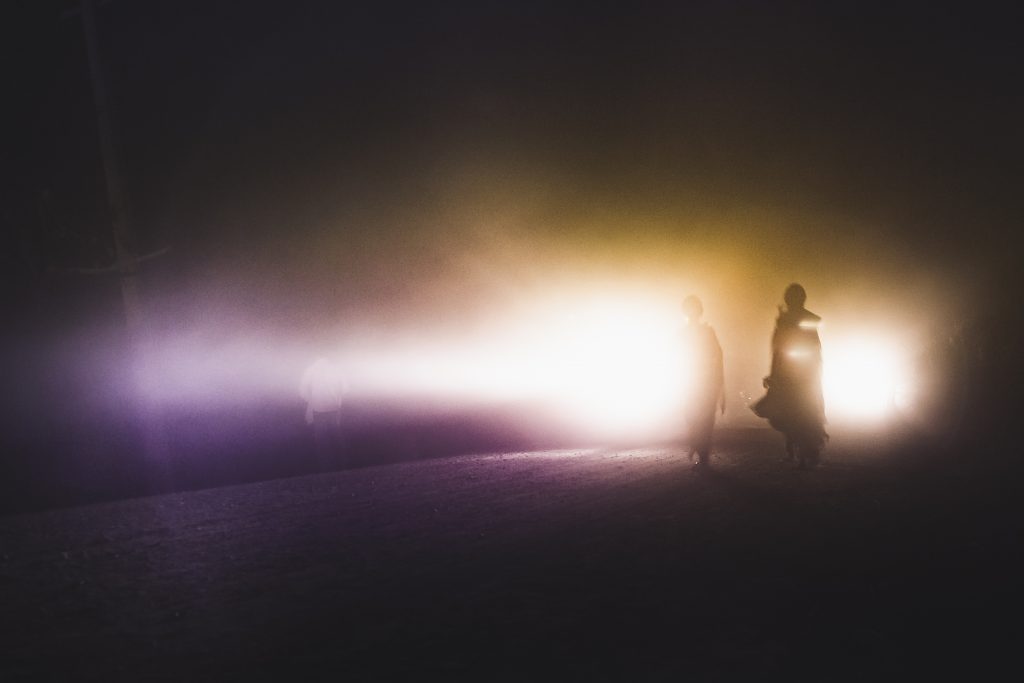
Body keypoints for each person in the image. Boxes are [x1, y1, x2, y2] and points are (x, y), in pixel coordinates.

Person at [752, 283, 828, 468]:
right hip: (790, 375)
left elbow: (813, 347)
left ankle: (805, 453)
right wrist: (773, 374)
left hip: (802, 375)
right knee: (788, 412)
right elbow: (778, 350)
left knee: (801, 413)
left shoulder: (802, 320)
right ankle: (794, 451)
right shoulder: (784, 320)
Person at [680, 295, 725, 469]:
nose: (692, 311)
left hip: (705, 383)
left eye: (694, 308)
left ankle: (702, 455)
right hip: (693, 382)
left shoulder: (707, 332)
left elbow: (718, 357)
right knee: (692, 417)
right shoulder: (684, 334)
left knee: (704, 419)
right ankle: (698, 446)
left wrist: (720, 384)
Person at [300, 356, 348, 470]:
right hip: (334, 408)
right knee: (337, 437)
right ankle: (344, 467)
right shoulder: (337, 369)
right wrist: (338, 399)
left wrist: (311, 400)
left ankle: (326, 469)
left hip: (318, 409)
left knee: (322, 441)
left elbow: (302, 390)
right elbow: (345, 389)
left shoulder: (311, 369)